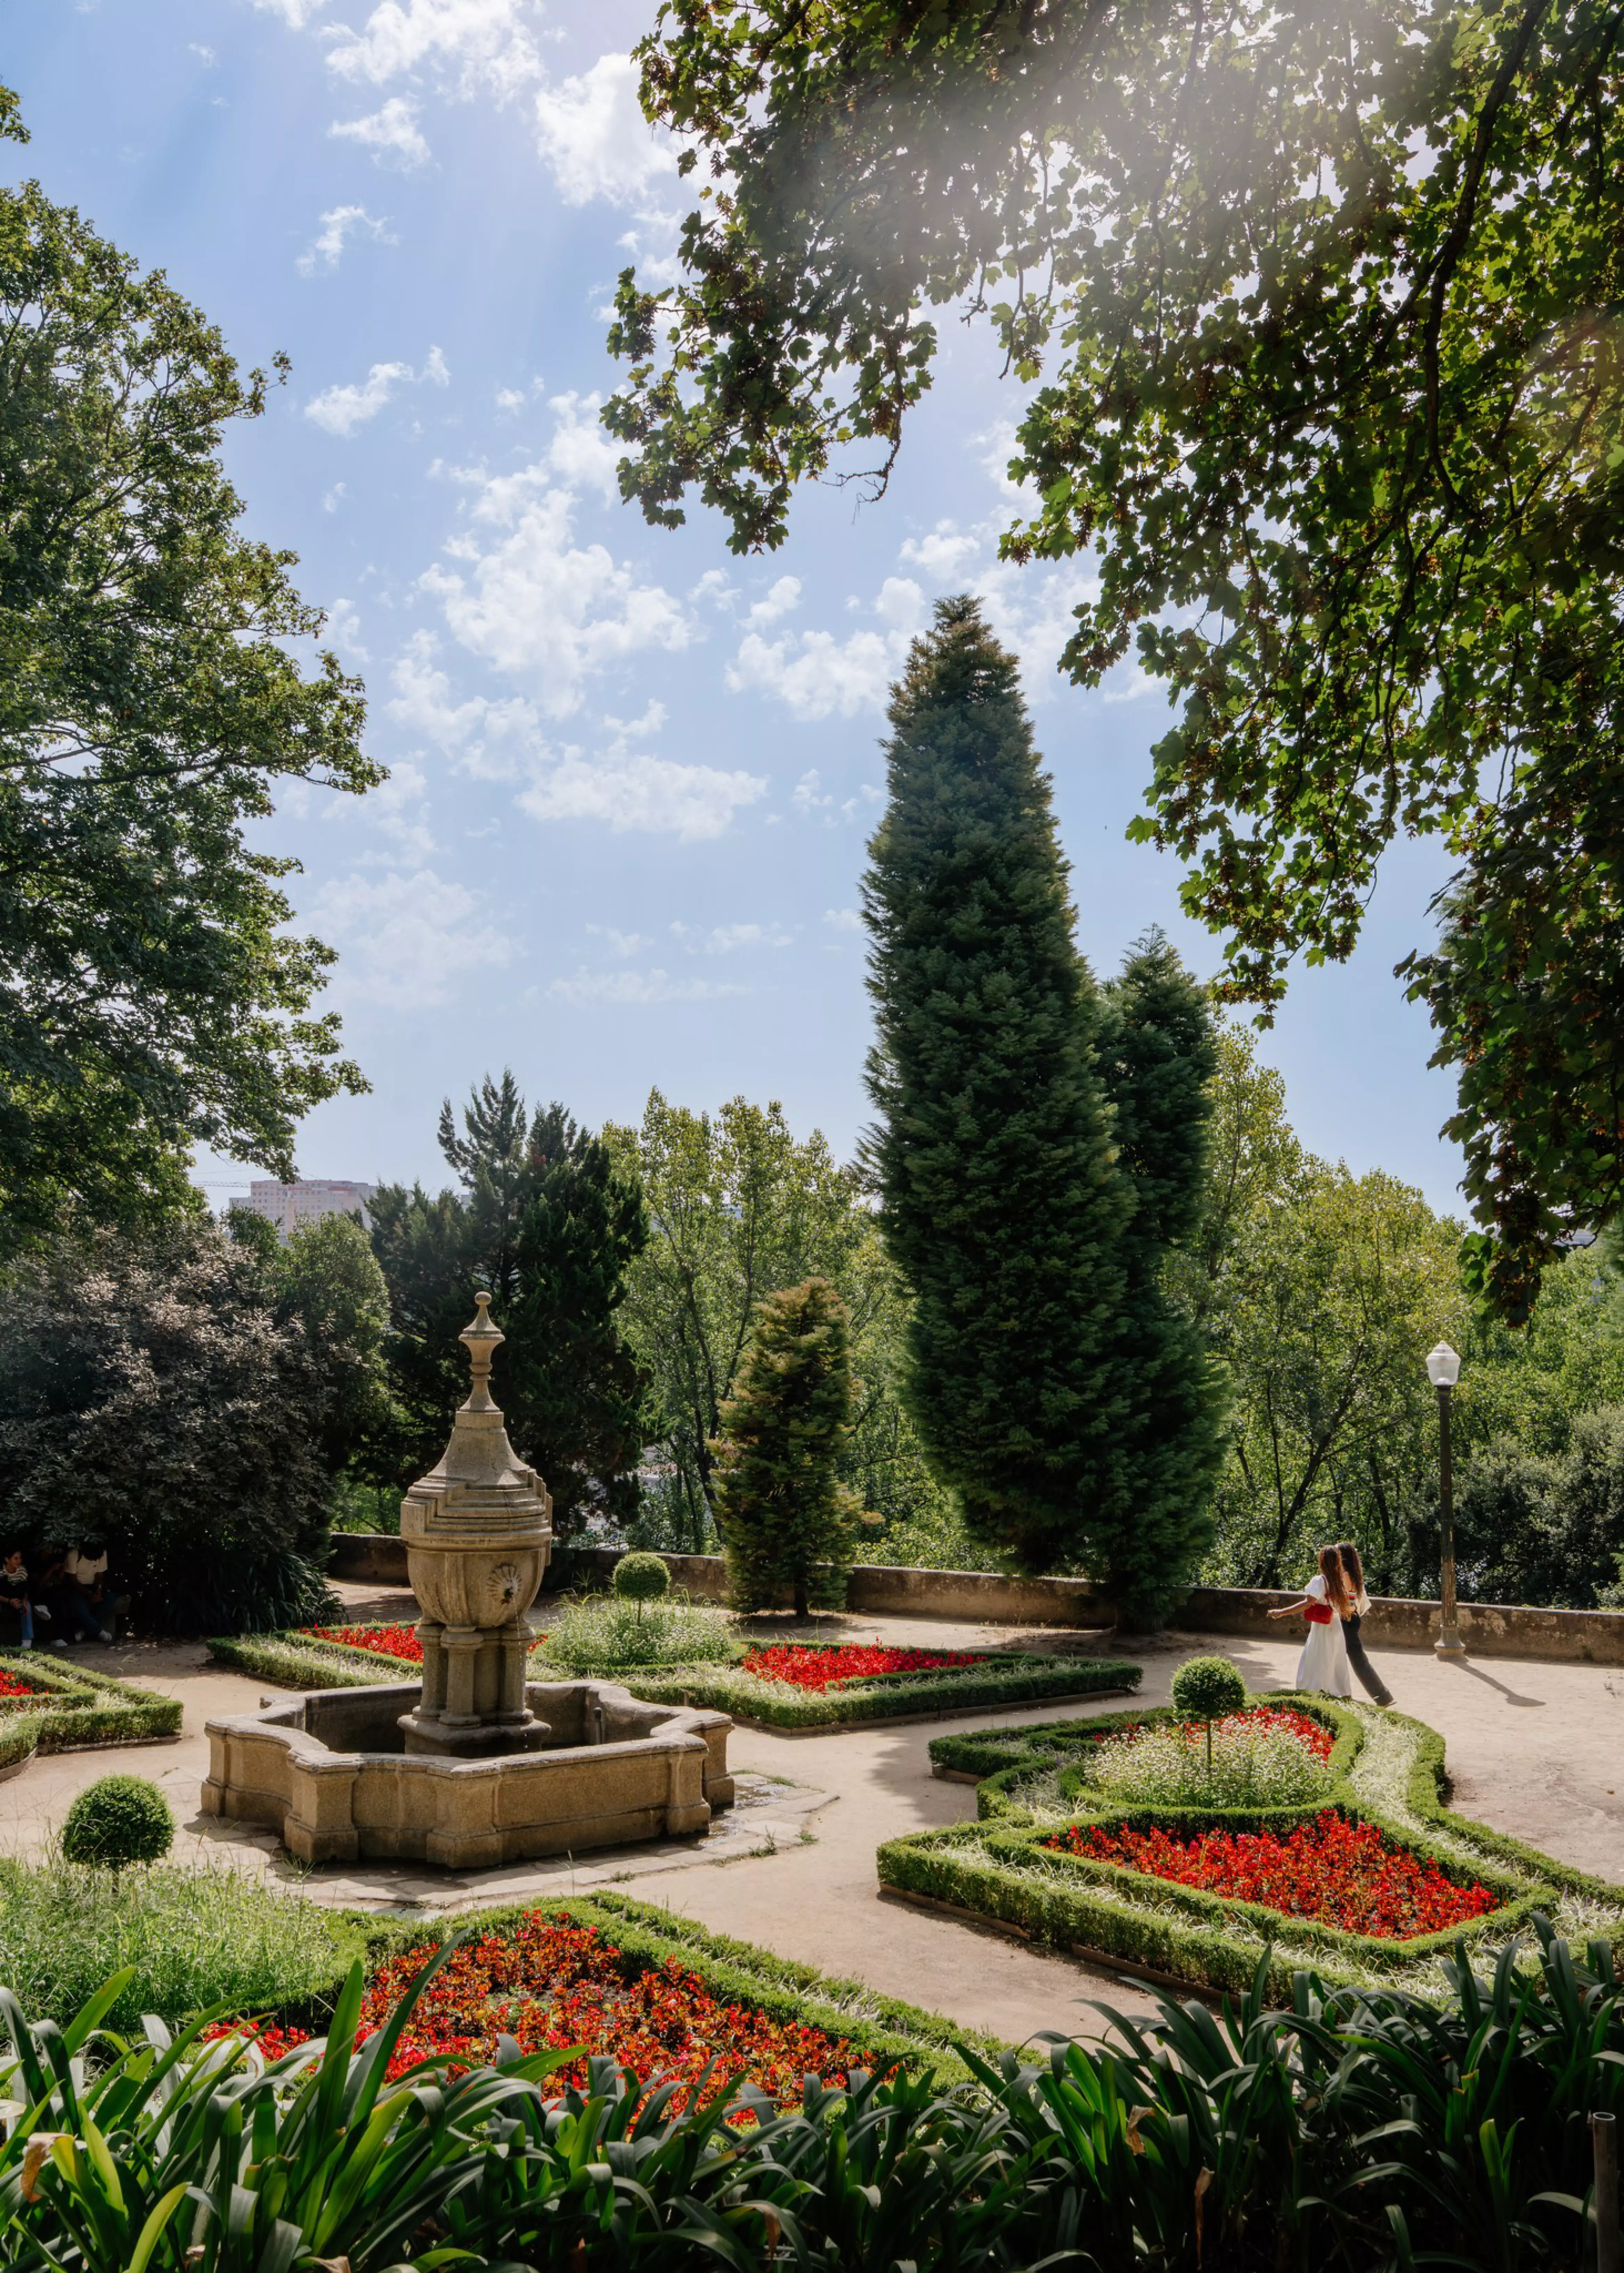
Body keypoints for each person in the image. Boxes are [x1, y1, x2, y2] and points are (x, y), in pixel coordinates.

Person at [1266, 1543, 1353, 1696]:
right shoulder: (1338, 1581)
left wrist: (1282, 1612)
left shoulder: (1320, 1581)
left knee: (1316, 1657)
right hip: (1335, 1623)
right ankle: (1337, 1689)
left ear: (1322, 1561)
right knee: (1333, 1658)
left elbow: (1308, 1603)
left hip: (1322, 1625)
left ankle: (1315, 1687)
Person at [1335, 1540, 1393, 1706]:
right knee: (1353, 1659)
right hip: (1350, 1619)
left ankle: (1382, 1696)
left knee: (1359, 1660)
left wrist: (1339, 1612)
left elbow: (1348, 1601)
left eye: (1338, 1554)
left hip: (1347, 1620)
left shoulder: (1345, 1575)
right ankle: (1382, 1696)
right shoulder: (1352, 1574)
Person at [0, 1549, 59, 1650]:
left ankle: (27, 1640)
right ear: (7, 1560)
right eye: (16, 1559)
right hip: (4, 1599)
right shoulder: (1, 1572)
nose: (19, 1561)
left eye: (20, 1558)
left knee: (27, 1608)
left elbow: (25, 1589)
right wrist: (9, 1601)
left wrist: (24, 1601)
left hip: (18, 1597)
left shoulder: (22, 1571)